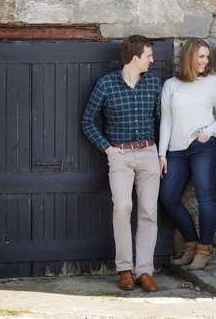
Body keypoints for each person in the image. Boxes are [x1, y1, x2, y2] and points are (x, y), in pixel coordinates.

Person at [81, 35, 162, 292]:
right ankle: (125, 269)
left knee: (148, 212)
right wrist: (108, 149)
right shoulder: (106, 84)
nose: (153, 60)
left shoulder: (153, 83)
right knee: (122, 207)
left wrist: (161, 154)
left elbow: (163, 121)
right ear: (135, 58)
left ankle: (144, 272)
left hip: (149, 152)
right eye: (149, 56)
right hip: (121, 157)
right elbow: (87, 121)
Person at [158, 38, 216, 270]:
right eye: (201, 56)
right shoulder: (171, 85)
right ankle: (191, 244)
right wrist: (162, 154)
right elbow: (166, 121)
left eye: (207, 57)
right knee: (168, 198)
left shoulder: (213, 82)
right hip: (176, 151)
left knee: (205, 198)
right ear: (189, 56)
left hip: (204, 147)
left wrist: (208, 133)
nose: (205, 61)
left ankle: (204, 249)